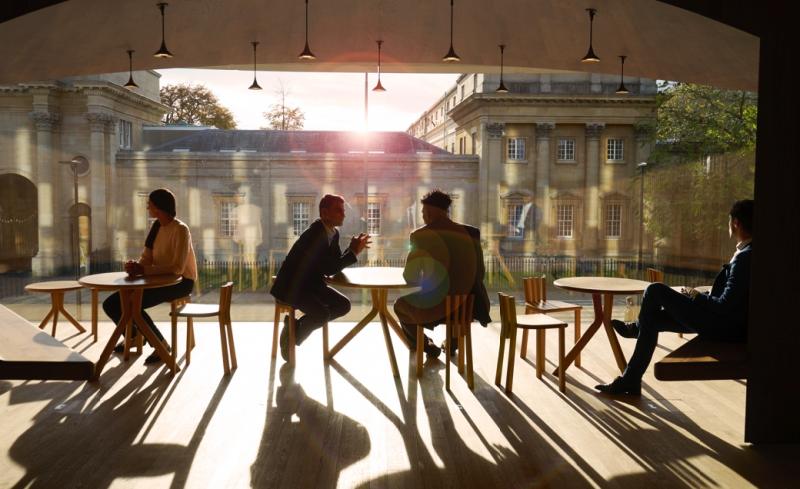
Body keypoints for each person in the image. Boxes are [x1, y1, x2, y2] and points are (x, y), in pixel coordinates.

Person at [596, 199, 754, 395]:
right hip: (725, 324)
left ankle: (636, 330)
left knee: (654, 290)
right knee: (651, 320)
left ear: (735, 223)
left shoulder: (744, 257)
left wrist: (695, 296)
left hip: (721, 327)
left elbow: (724, 305)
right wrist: (700, 296)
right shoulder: (749, 252)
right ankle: (631, 378)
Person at [270, 194, 370, 361]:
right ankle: (293, 336)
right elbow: (330, 268)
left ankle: (293, 330)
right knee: (322, 315)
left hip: (311, 285)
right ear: (324, 213)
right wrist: (353, 251)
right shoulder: (315, 234)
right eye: (338, 210)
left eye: (343, 211)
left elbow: (334, 264)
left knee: (343, 305)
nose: (343, 215)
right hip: (292, 287)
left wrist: (351, 250)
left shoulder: (333, 233)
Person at [103, 188, 197, 364]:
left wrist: (143, 270)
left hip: (182, 282)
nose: (147, 208)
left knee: (133, 304)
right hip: (159, 280)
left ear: (159, 207)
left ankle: (161, 345)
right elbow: (147, 258)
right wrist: (135, 267)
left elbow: (177, 268)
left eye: (150, 205)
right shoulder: (156, 227)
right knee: (111, 304)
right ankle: (133, 336)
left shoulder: (181, 230)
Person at [394, 189, 491, 358]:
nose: (423, 216)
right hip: (468, 307)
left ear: (429, 213)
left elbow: (410, 276)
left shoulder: (419, 236)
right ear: (446, 211)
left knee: (400, 306)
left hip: (435, 308)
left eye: (423, 212)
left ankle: (427, 346)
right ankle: (453, 343)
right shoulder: (472, 233)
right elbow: (479, 273)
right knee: (456, 300)